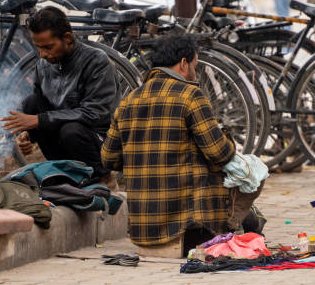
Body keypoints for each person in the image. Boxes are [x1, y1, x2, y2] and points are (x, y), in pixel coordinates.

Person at [101, 34, 264, 254]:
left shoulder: (129, 100)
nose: (194, 73)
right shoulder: (190, 95)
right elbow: (220, 154)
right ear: (184, 63)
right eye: (195, 66)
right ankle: (228, 229)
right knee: (253, 170)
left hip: (143, 231)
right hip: (187, 229)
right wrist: (223, 136)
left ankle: (244, 223)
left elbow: (109, 158)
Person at [1, 6, 118, 182]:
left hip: (99, 138)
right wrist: (27, 135)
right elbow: (39, 106)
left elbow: (96, 113)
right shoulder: (43, 65)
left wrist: (39, 120)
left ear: (68, 38)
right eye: (38, 47)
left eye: (48, 47)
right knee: (31, 103)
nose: (43, 54)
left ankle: (103, 178)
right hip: (63, 132)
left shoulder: (96, 61)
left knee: (71, 131)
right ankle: (65, 174)